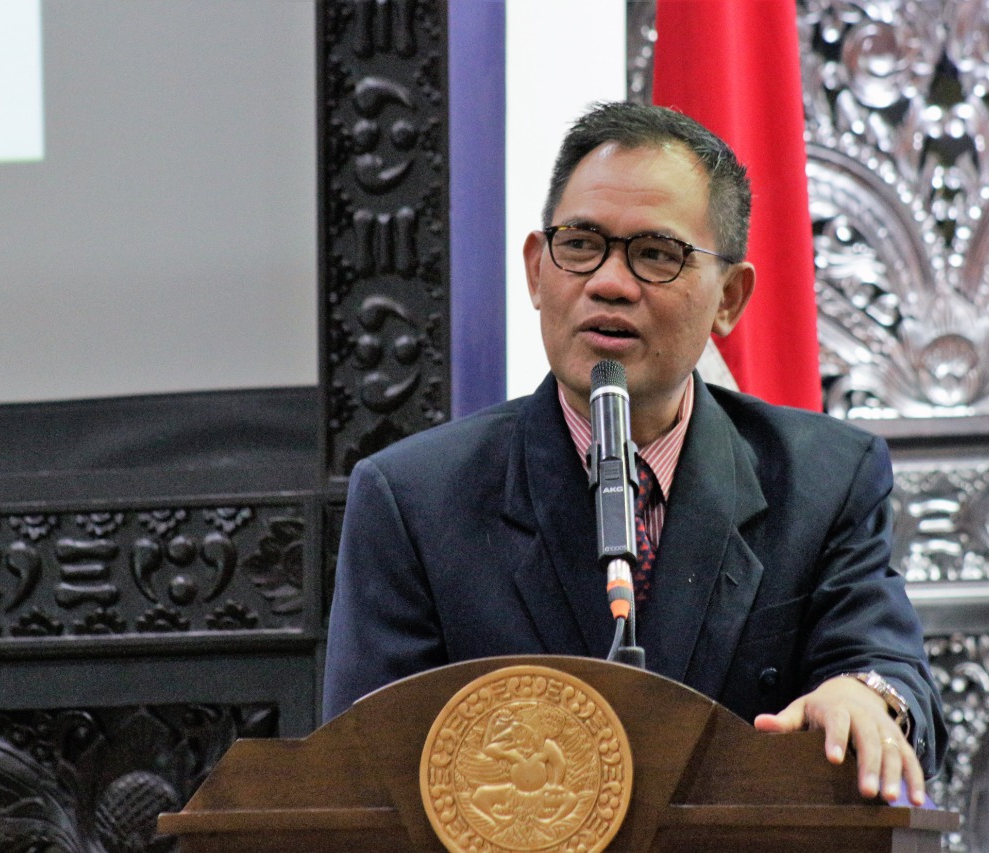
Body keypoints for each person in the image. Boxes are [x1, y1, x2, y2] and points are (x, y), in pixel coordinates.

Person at [323, 101, 947, 805]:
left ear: (730, 299)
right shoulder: (412, 497)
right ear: (536, 269)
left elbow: (889, 671)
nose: (609, 282)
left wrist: (864, 697)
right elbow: (361, 775)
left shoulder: (827, 478)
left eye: (655, 253)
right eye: (581, 244)